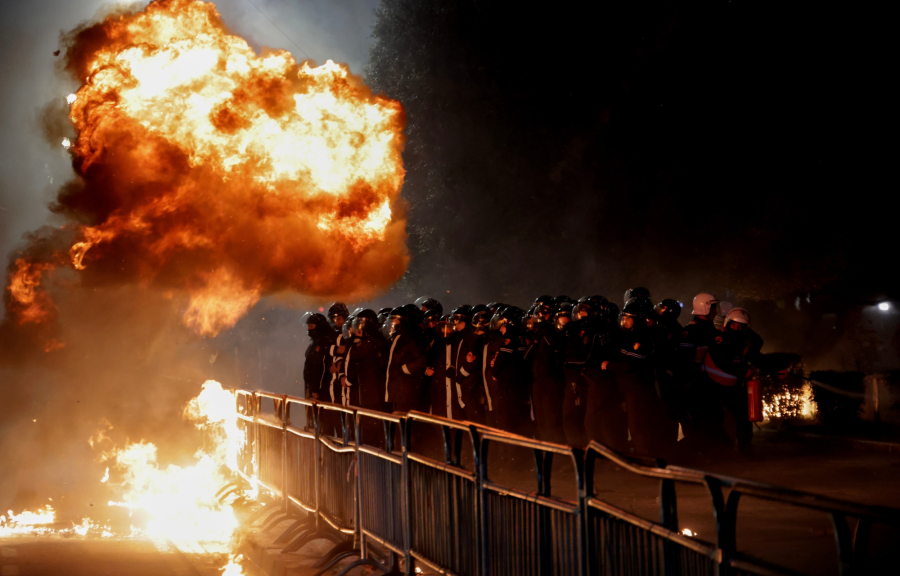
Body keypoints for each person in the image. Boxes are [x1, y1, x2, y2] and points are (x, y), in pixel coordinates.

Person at [596, 297, 676, 458]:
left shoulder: (641, 338)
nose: (624, 321)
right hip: (632, 390)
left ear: (637, 319)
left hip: (639, 391)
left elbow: (630, 365)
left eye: (628, 318)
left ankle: (646, 459)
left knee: (639, 428)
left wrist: (608, 365)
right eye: (624, 317)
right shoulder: (630, 335)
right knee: (638, 427)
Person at [695, 308, 764, 456]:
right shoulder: (719, 336)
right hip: (712, 385)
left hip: (731, 386)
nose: (738, 329)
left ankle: (745, 449)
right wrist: (743, 371)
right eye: (735, 325)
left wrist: (776, 369)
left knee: (744, 416)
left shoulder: (743, 340)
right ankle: (717, 451)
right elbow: (721, 361)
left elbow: (756, 356)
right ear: (728, 323)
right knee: (715, 419)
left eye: (741, 326)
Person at [677, 292, 722, 445]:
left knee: (714, 421)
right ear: (705, 308)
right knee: (701, 422)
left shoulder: (711, 330)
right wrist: (688, 382)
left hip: (711, 384)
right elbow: (684, 361)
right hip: (697, 386)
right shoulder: (691, 331)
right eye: (713, 308)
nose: (716, 313)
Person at [527, 302, 567, 443]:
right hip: (538, 382)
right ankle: (546, 450)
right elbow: (527, 356)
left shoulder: (554, 332)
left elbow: (557, 349)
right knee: (541, 421)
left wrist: (546, 330)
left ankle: (557, 451)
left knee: (552, 420)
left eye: (544, 315)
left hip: (551, 382)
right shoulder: (539, 334)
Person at [383, 307, 428, 413]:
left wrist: (404, 369)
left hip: (406, 390)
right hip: (397, 390)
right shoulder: (396, 337)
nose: (392, 323)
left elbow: (421, 359)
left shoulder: (410, 337)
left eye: (394, 320)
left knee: (403, 419)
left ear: (403, 320)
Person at [301, 312, 333, 401]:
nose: (308, 329)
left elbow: (319, 367)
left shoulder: (323, 343)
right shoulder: (314, 343)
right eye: (308, 326)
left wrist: (315, 389)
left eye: (311, 326)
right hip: (310, 385)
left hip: (317, 389)